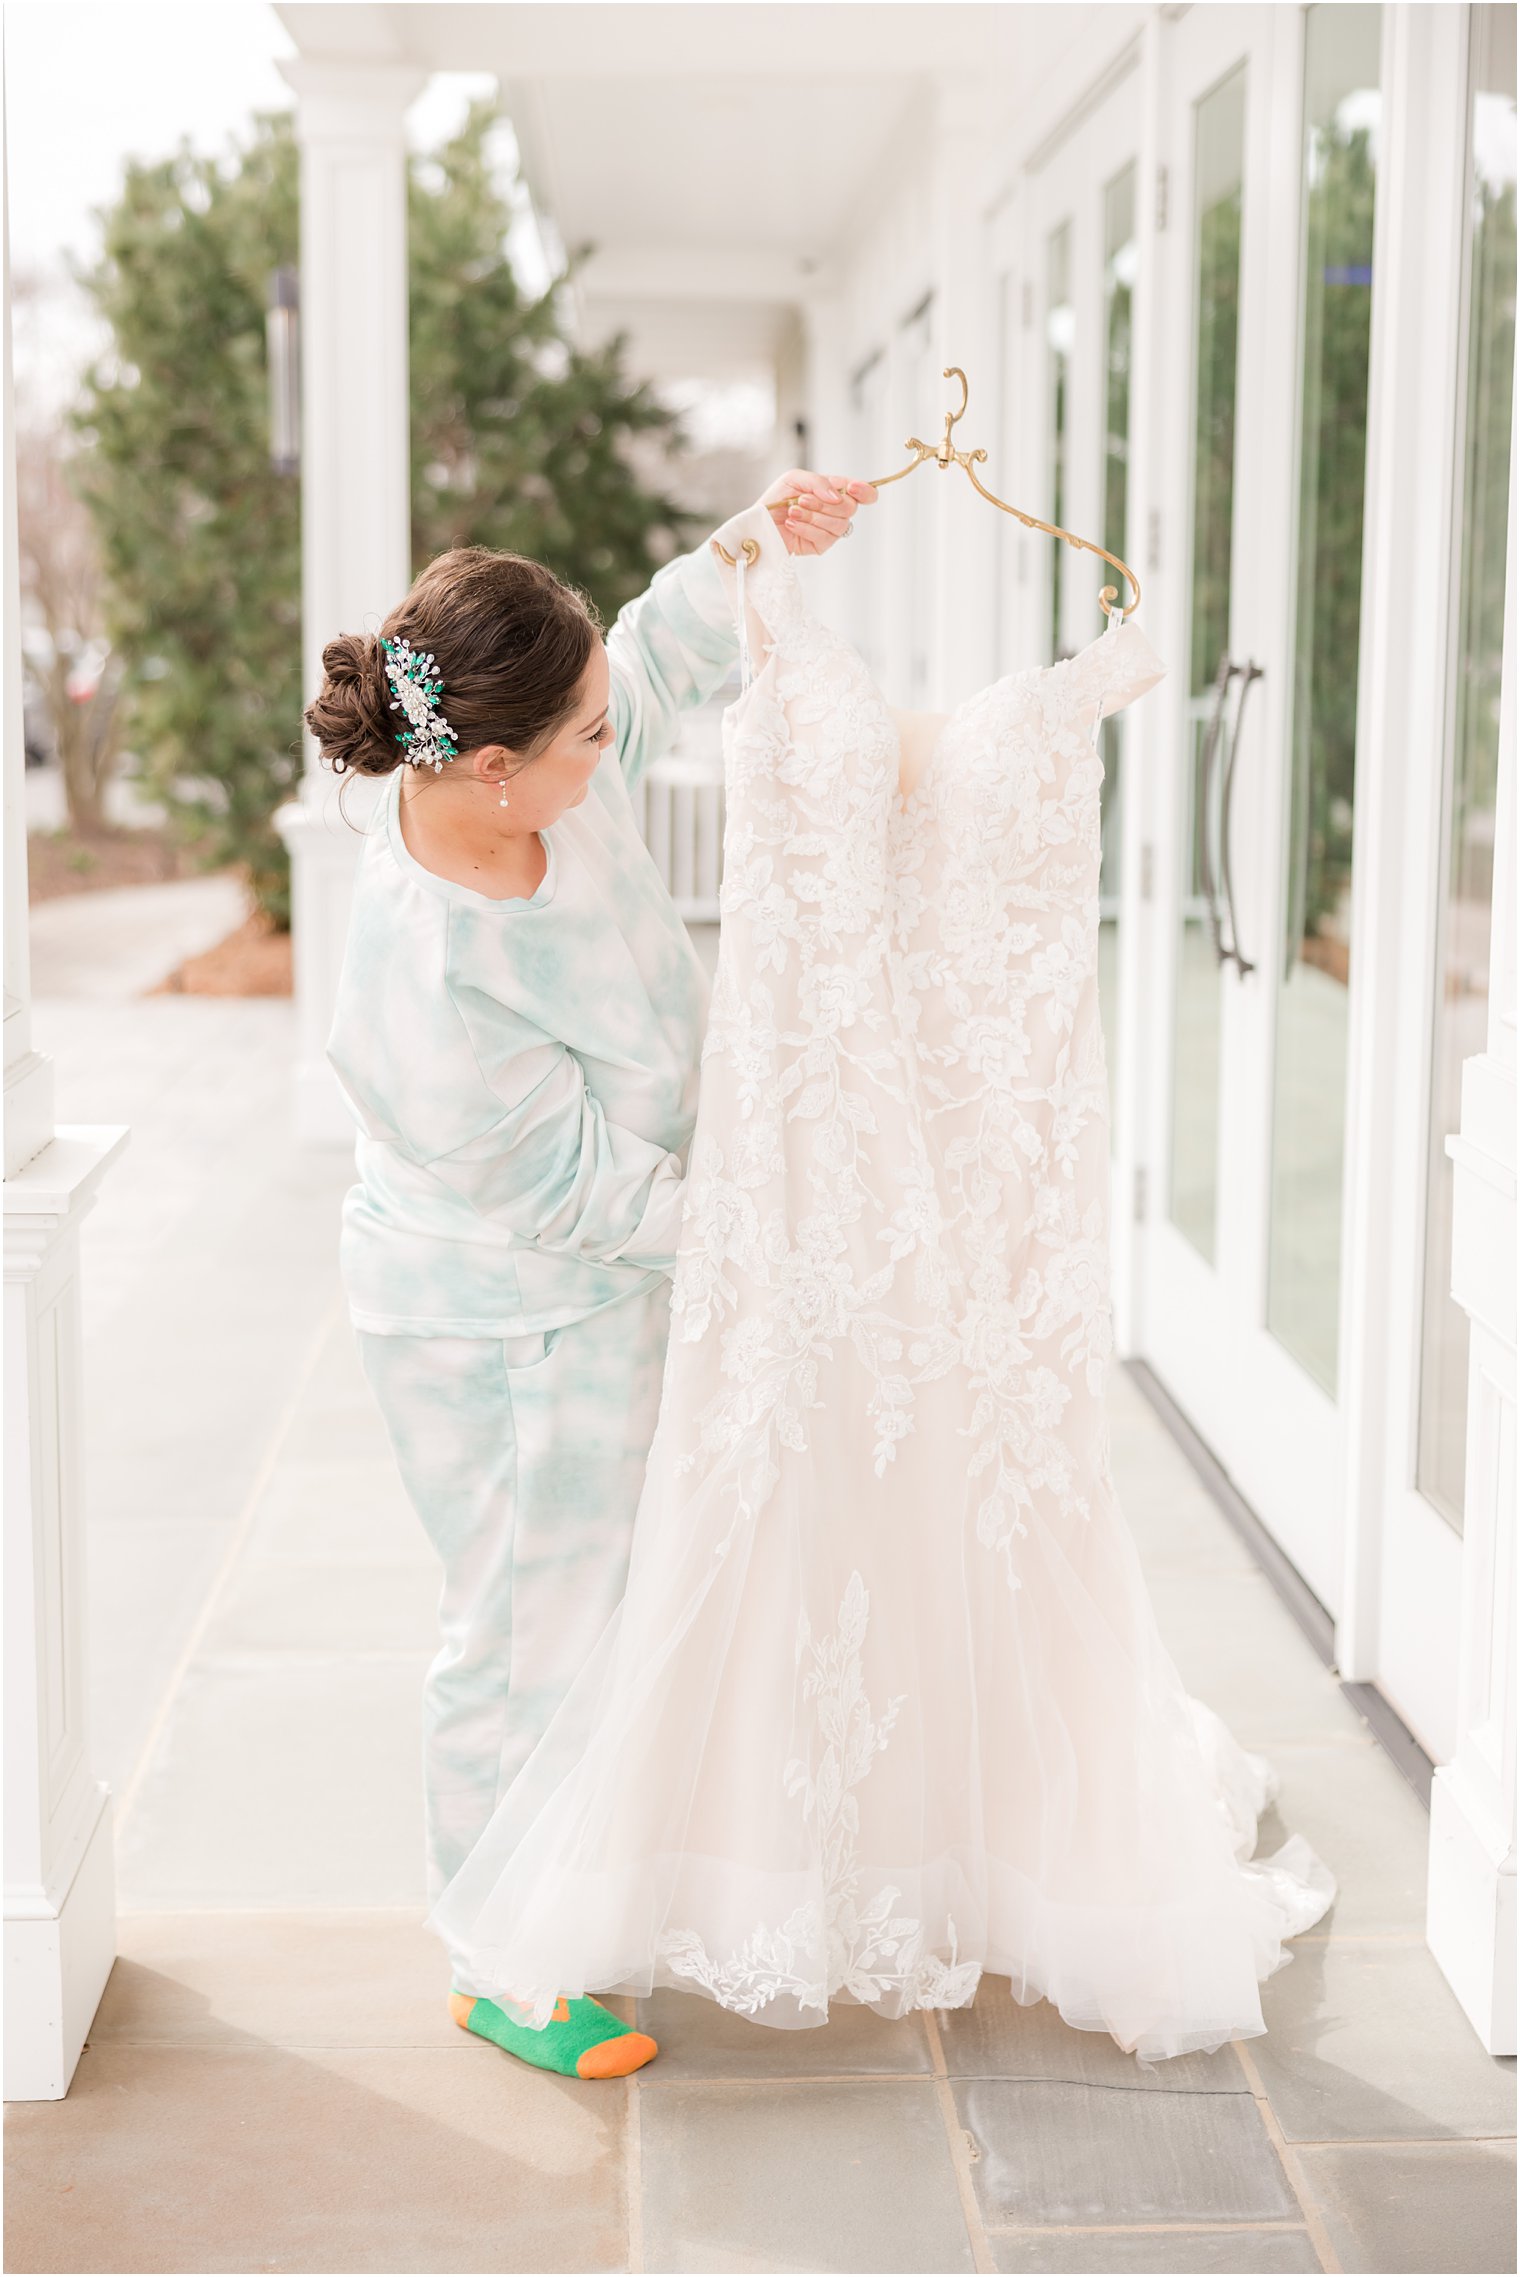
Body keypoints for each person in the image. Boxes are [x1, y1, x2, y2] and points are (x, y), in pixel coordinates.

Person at [304, 472, 876, 2081]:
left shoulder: (546, 775)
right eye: (587, 742)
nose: (612, 746)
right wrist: (750, 1218)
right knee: (520, 1621)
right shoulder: (420, 970)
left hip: (611, 1271)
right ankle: (502, 1954)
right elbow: (564, 1183)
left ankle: (584, 1884)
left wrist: (754, 540)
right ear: (491, 771)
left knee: (602, 1599)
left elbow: (647, 657)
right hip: (494, 1314)